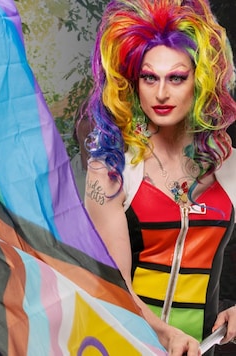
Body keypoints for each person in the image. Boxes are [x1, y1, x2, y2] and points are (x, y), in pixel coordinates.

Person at [83, 1, 236, 355]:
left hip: (203, 349)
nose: (162, 93)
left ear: (200, 82)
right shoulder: (111, 168)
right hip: (126, 347)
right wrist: (164, 334)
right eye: (149, 77)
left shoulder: (227, 163)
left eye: (177, 77)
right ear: (133, 82)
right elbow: (111, 287)